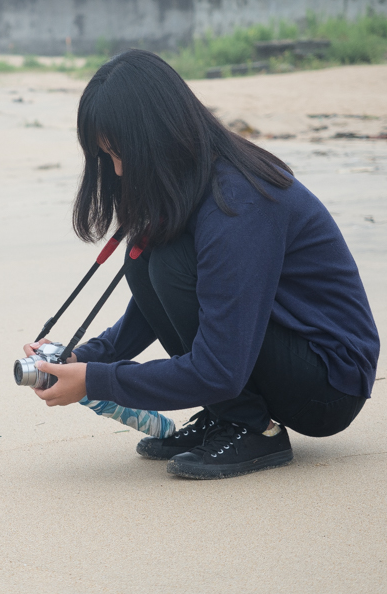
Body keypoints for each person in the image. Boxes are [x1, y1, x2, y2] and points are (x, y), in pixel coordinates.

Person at [22, 49, 379, 480]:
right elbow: (160, 302)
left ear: (156, 137)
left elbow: (219, 369)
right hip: (274, 349)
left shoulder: (238, 201)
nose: (116, 171)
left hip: (328, 383)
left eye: (121, 153)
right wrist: (83, 356)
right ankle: (229, 415)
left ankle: (253, 427)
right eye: (106, 155)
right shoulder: (194, 177)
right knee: (144, 258)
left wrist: (97, 380)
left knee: (167, 262)